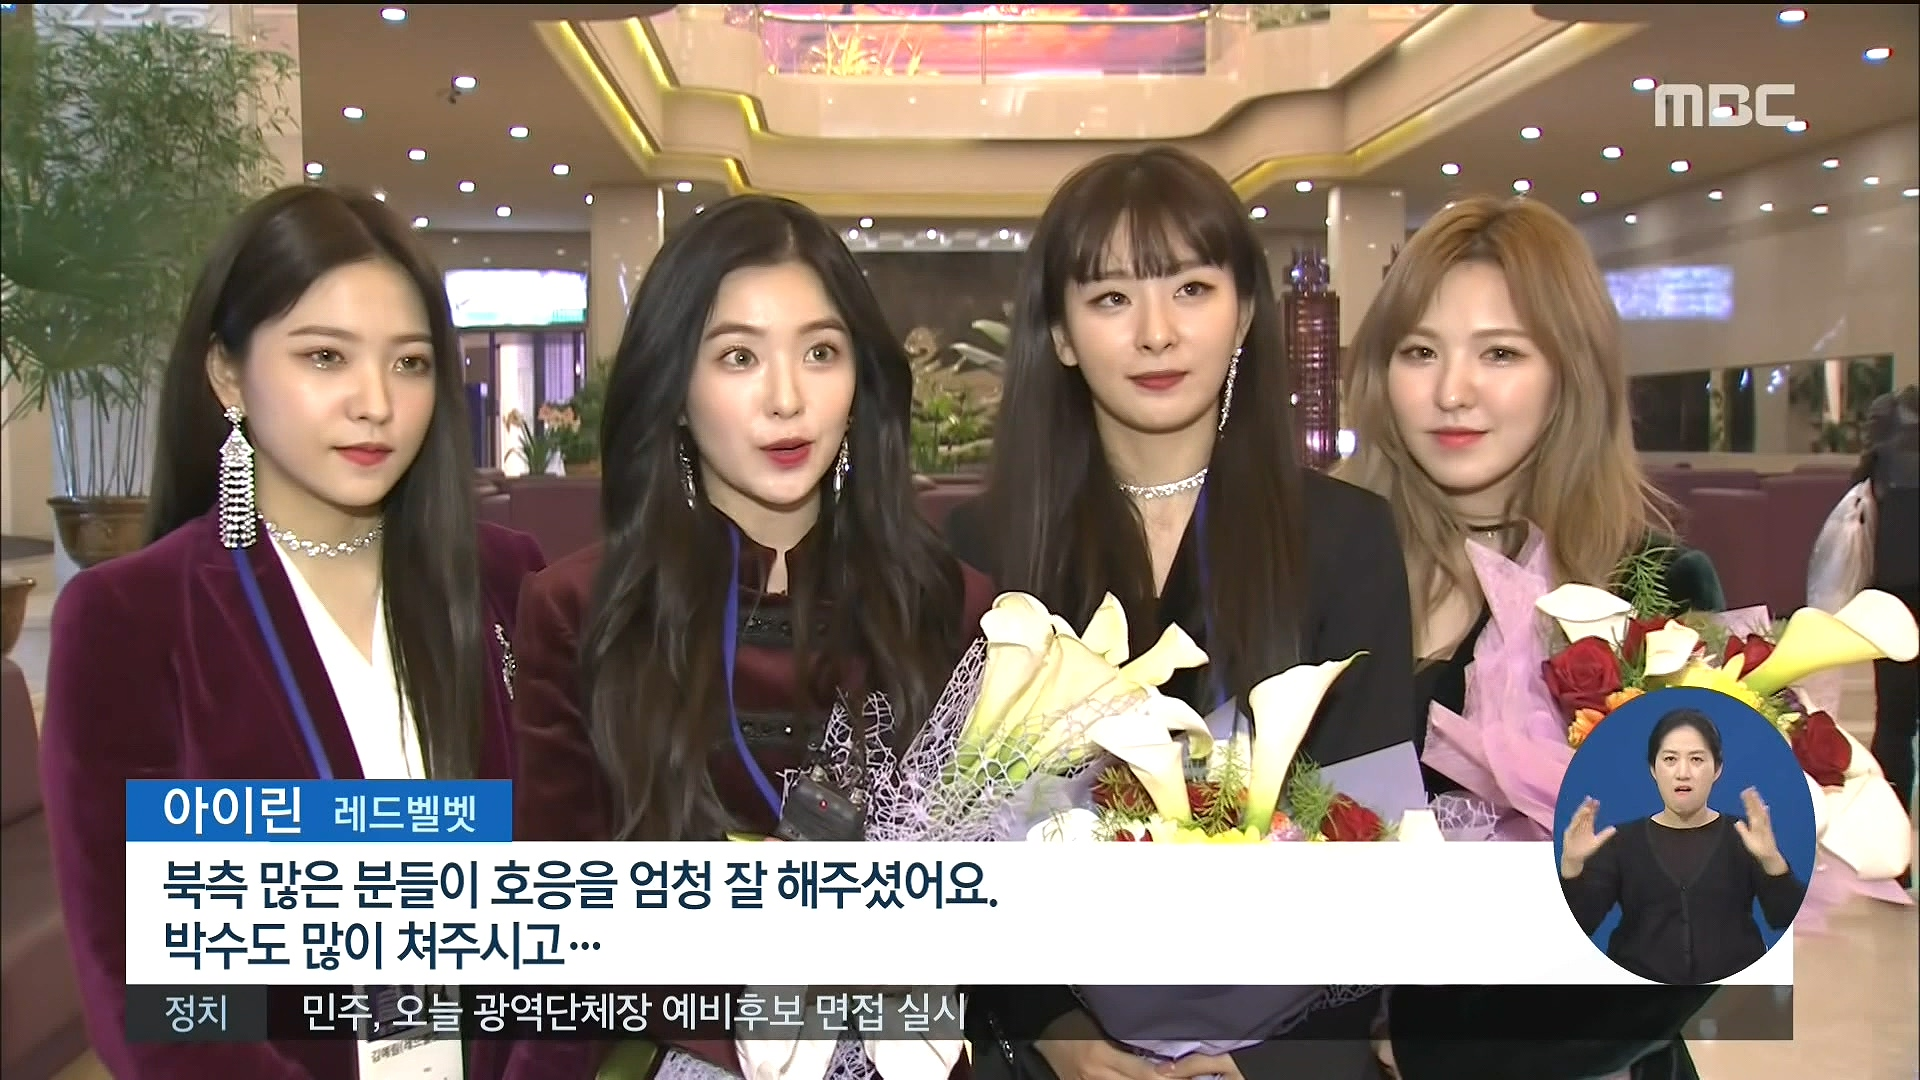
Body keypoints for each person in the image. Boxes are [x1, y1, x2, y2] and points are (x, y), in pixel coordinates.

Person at [38, 184, 546, 1080]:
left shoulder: (505, 578)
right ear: (228, 375)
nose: (375, 402)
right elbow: (147, 993)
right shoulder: (131, 619)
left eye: (410, 363)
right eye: (324, 357)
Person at [945, 147, 1418, 1080]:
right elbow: (959, 841)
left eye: (1192, 290)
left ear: (1244, 314)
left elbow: (1372, 836)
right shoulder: (982, 543)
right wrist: (1057, 1034)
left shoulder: (1348, 537)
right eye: (1111, 298)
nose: (1156, 333)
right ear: (1061, 334)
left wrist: (1260, 1064)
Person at [506, 194, 995, 1078]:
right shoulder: (581, 610)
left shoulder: (953, 608)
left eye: (821, 352)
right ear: (675, 390)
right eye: (738, 356)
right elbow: (556, 933)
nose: (786, 398)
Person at [1337, 195, 1722, 1078]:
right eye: (1419, 352)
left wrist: (1440, 1046)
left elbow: (1696, 920)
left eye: (1500, 353)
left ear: (1569, 373)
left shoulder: (1650, 594)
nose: (1452, 391)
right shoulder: (1323, 567)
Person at [1560, 708, 1807, 985]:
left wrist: (1771, 860)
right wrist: (1572, 866)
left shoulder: (1744, 836)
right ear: (1653, 769)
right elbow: (1583, 923)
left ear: (1717, 769)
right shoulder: (1621, 842)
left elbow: (1784, 917)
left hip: (1732, 998)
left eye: (1697, 759)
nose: (1683, 773)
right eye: (1670, 759)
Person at [1853, 384, 1918, 830]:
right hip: (1895, 593)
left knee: (1894, 723)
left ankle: (1893, 840)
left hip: (1892, 593)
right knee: (1895, 725)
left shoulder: (1886, 422)